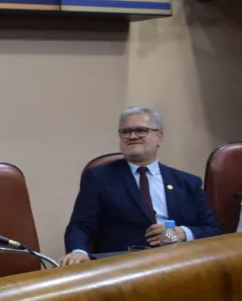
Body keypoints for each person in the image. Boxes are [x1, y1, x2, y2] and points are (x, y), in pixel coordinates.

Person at [60, 106, 221, 266]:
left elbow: (213, 231)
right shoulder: (99, 178)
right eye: (125, 131)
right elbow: (80, 226)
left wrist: (183, 233)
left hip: (180, 264)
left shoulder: (188, 183)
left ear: (160, 136)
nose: (132, 136)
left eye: (141, 130)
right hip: (123, 268)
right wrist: (78, 251)